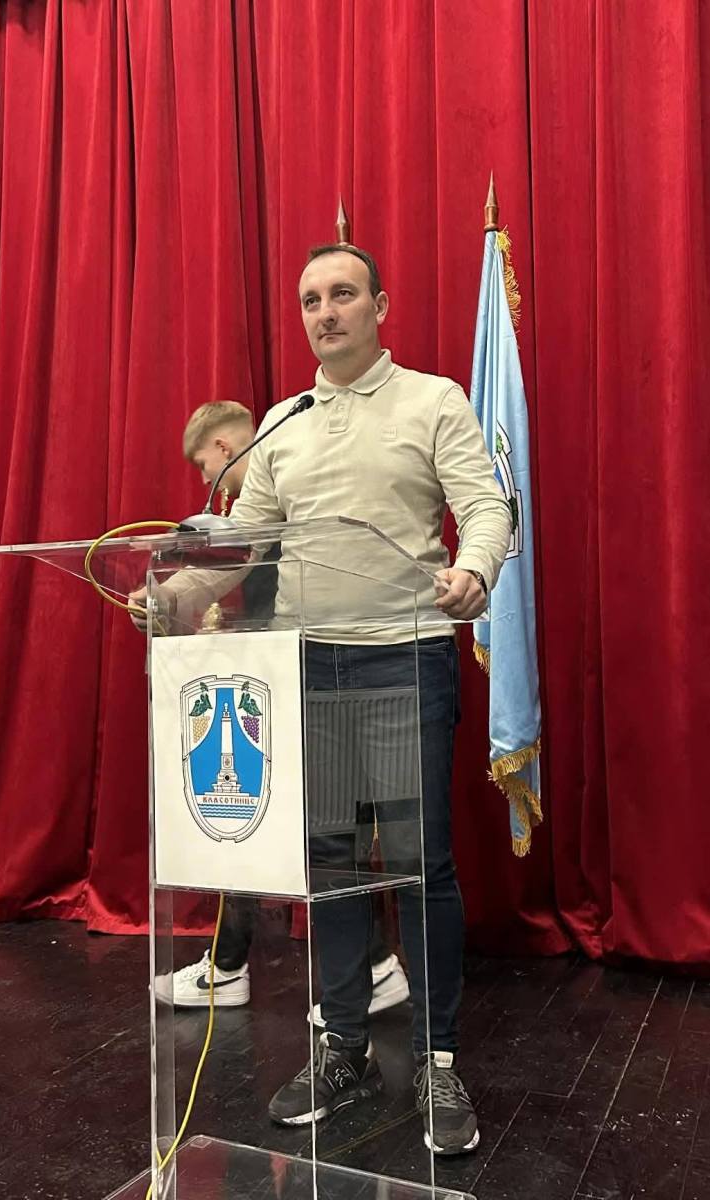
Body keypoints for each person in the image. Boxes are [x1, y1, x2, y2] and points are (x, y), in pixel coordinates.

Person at [226, 244, 512, 1155]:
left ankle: (435, 1059)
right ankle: (342, 1045)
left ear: (379, 306)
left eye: (342, 294)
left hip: (403, 662)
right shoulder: (285, 421)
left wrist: (473, 569)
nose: (325, 312)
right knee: (334, 864)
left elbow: (487, 506)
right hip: (310, 669)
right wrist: (178, 589)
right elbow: (241, 540)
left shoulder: (433, 400)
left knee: (419, 865)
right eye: (310, 299)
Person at [131, 400, 410, 1018]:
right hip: (272, 681)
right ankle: (245, 965)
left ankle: (369, 967)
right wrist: (168, 599)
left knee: (311, 833)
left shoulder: (281, 498)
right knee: (259, 824)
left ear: (223, 449)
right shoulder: (244, 519)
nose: (208, 481)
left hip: (310, 680)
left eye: (205, 467)